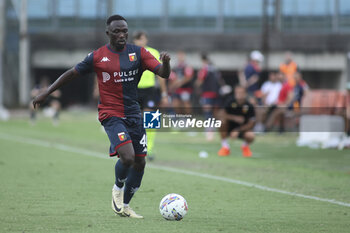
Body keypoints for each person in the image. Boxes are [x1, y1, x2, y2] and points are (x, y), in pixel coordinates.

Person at [32, 15, 171, 219]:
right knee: (128, 156)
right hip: (111, 113)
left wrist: (166, 63)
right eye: (117, 31)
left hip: (133, 112)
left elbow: (163, 73)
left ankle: (125, 205)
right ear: (108, 33)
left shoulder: (138, 53)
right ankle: (117, 187)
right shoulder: (97, 57)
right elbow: (71, 73)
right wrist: (47, 91)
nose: (122, 34)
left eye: (125, 30)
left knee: (140, 163)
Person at [133, 31, 168, 159]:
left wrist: (164, 94)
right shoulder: (130, 53)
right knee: (134, 120)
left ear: (146, 40)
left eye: (142, 39)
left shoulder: (153, 53)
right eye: (137, 39)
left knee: (151, 120)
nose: (140, 42)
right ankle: (136, 147)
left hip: (149, 90)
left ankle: (150, 148)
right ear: (134, 41)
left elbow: (160, 74)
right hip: (134, 90)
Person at [217, 86, 256, 157]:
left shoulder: (249, 106)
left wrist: (238, 130)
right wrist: (234, 118)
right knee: (221, 122)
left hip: (242, 129)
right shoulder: (230, 102)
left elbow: (251, 123)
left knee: (251, 136)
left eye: (241, 93)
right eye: (237, 93)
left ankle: (245, 146)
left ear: (245, 94)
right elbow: (220, 114)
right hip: (229, 127)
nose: (239, 94)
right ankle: (225, 147)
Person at [195, 53, 220, 141]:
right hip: (216, 93)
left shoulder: (205, 68)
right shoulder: (214, 68)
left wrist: (197, 86)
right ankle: (214, 128)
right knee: (215, 112)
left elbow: (200, 79)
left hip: (207, 93)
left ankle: (209, 131)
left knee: (208, 112)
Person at [169, 51, 194, 115]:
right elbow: (172, 77)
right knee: (176, 104)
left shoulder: (187, 66)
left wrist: (179, 83)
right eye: (179, 55)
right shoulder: (175, 66)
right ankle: (179, 117)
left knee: (186, 103)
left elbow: (188, 77)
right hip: (177, 89)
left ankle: (187, 117)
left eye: (182, 55)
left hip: (185, 88)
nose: (180, 57)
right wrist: (173, 86)